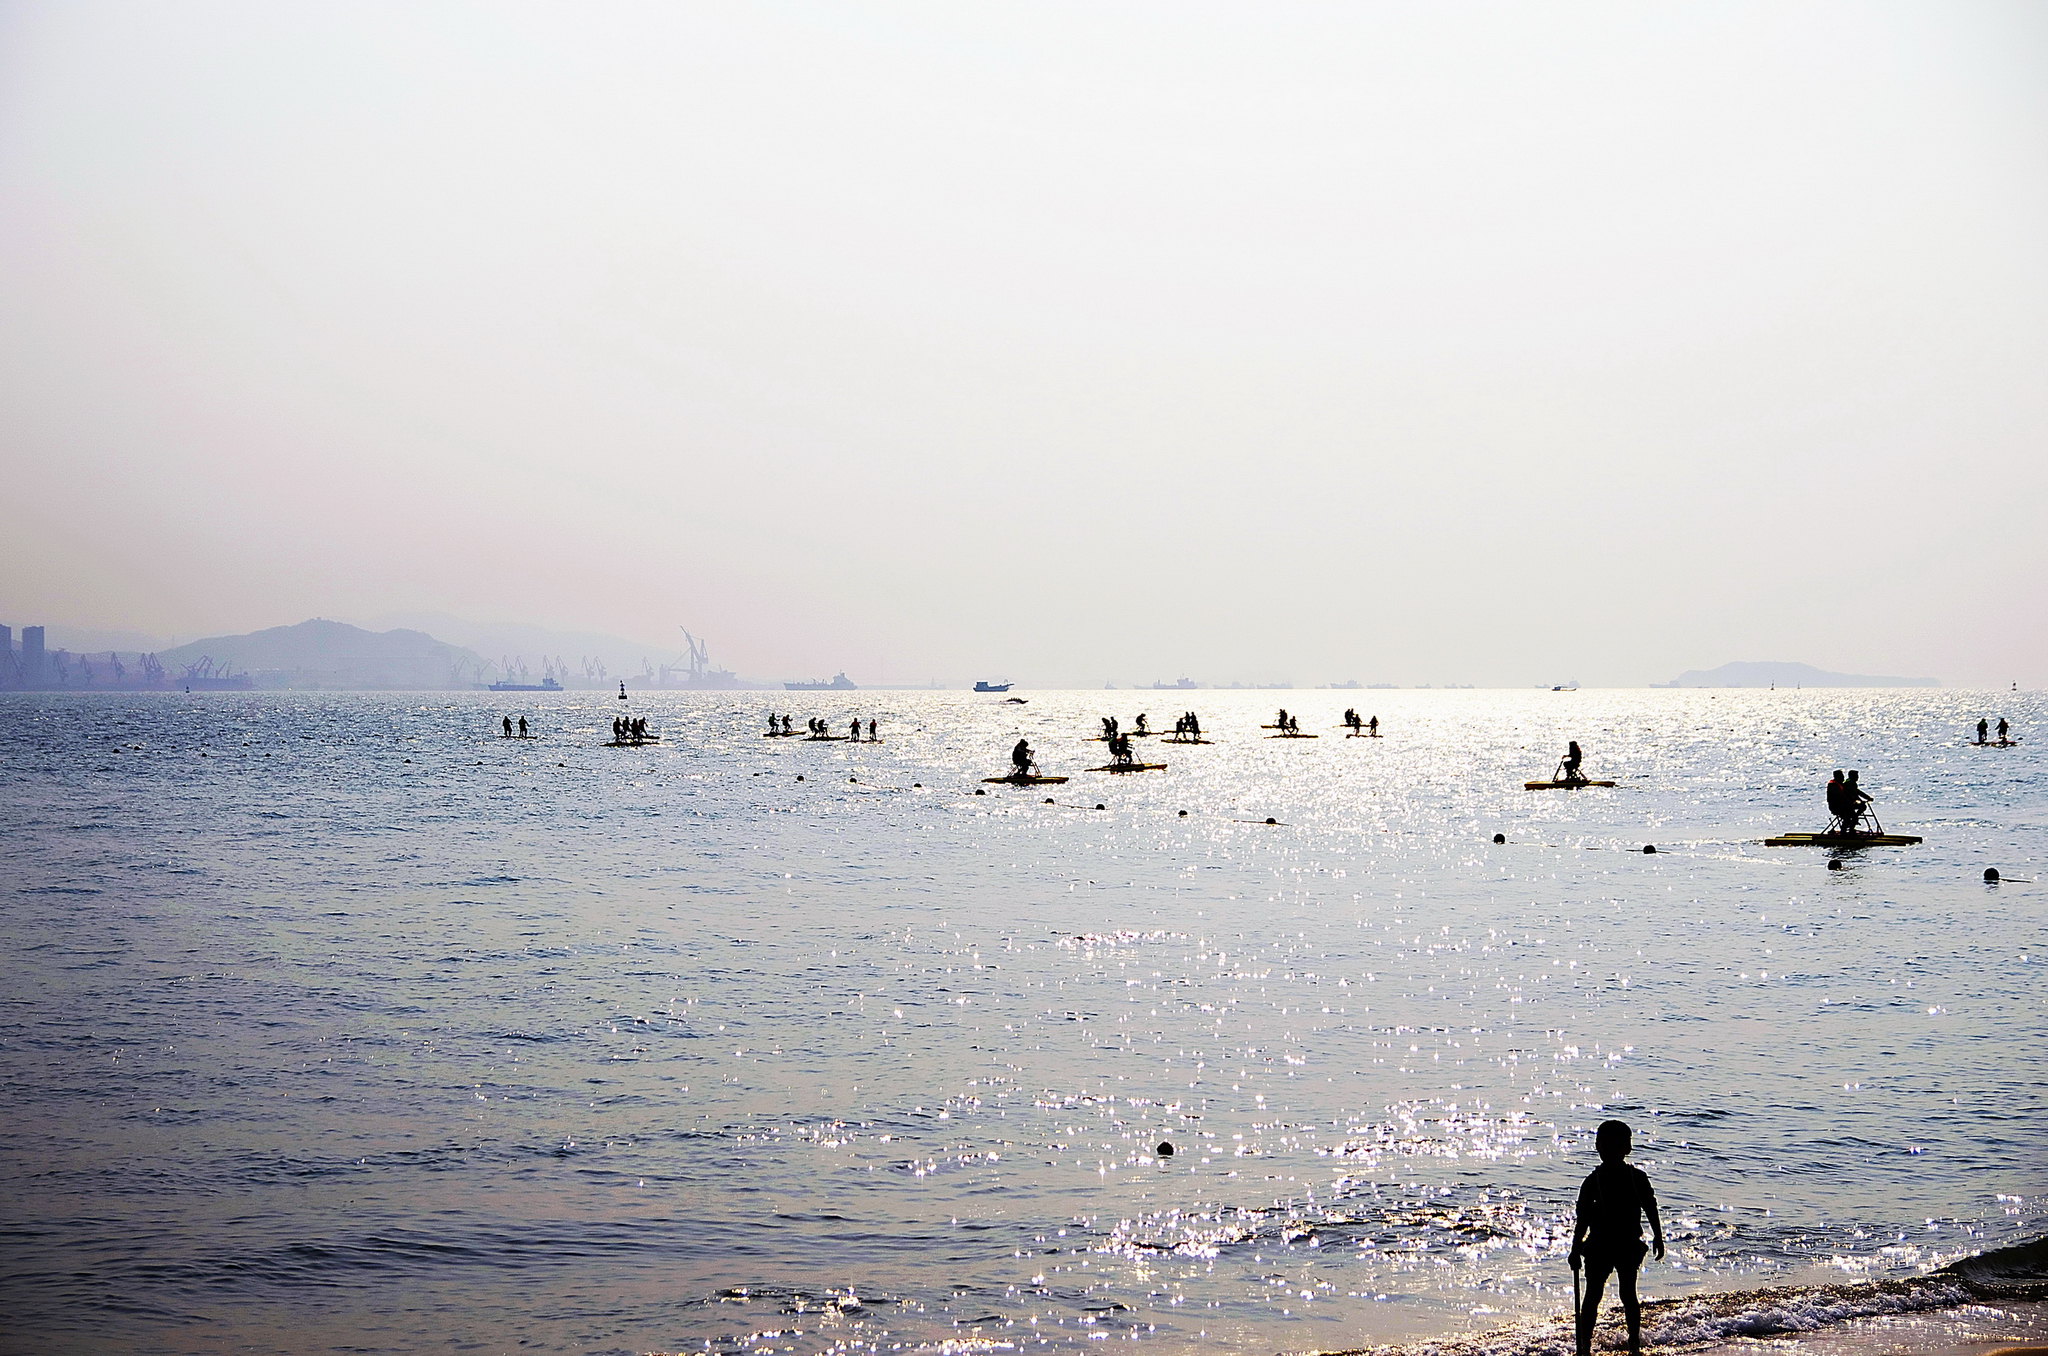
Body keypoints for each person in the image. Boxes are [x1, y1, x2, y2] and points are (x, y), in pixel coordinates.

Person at [1570, 1119, 1664, 1356]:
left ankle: (1593, 1345)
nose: (1608, 1150)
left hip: (1615, 1244)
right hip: (1613, 1244)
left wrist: (1658, 1237)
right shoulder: (1602, 1180)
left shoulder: (1618, 1179)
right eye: (1606, 1145)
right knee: (1614, 1294)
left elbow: (1650, 1207)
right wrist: (1574, 1249)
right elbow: (1582, 1218)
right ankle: (1602, 1345)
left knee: (1607, 1294)